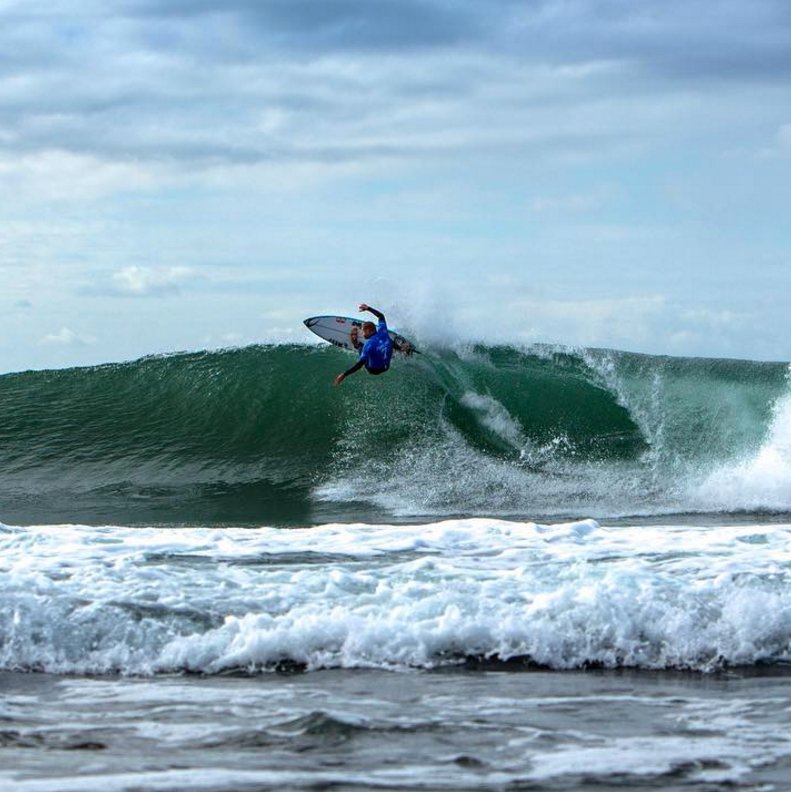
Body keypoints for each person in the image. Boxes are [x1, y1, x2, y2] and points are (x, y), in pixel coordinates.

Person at [333, 304, 393, 386]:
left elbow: (359, 365)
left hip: (374, 370)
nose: (362, 334)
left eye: (363, 331)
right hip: (386, 366)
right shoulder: (383, 331)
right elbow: (381, 316)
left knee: (361, 347)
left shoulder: (368, 345)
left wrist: (344, 374)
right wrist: (368, 308)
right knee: (389, 340)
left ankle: (356, 343)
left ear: (368, 330)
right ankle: (401, 348)